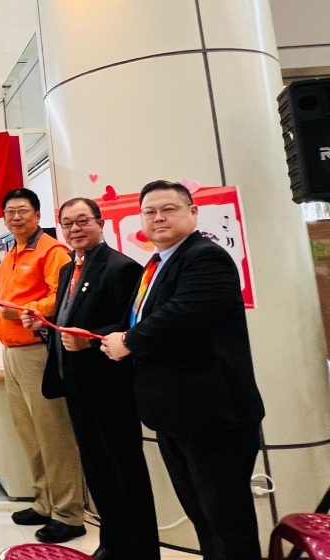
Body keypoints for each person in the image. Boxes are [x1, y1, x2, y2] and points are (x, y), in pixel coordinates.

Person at [101, 181, 265, 560]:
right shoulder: (157, 264)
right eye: (149, 211)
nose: (158, 218)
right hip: (175, 413)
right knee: (203, 517)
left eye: (168, 209)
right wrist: (105, 335)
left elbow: (184, 314)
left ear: (193, 212)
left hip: (212, 414)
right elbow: (140, 319)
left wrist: (129, 341)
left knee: (226, 521)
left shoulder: (205, 257)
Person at [22, 197, 158, 560]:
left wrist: (90, 339)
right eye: (67, 223)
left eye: (82, 221)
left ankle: (139, 550)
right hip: (77, 387)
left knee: (124, 471)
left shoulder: (121, 268)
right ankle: (112, 544)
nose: (75, 229)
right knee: (98, 472)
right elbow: (68, 321)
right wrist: (43, 325)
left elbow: (132, 327)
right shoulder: (70, 268)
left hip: (110, 388)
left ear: (100, 223)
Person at [0, 187, 86, 543]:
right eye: (10, 212)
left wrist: (28, 310)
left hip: (37, 352)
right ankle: (43, 503)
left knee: (53, 434)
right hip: (11, 351)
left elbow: (62, 296)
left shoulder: (52, 251)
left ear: (38, 215)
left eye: (22, 210)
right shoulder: (12, 253)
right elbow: (6, 298)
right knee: (30, 434)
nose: (16, 217)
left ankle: (68, 513)